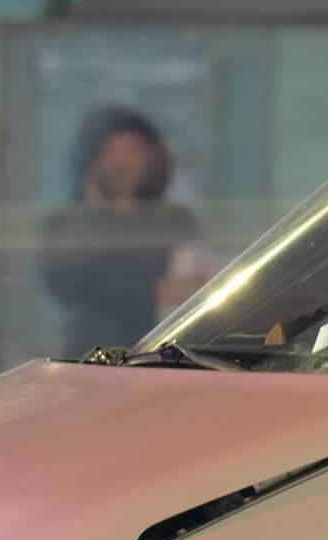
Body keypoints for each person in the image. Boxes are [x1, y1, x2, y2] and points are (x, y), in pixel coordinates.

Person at [40, 105, 205, 359]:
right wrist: (155, 289)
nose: (123, 163)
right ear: (92, 159)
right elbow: (65, 283)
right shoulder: (66, 223)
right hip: (91, 354)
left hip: (162, 352)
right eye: (111, 153)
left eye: (133, 152)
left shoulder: (176, 220)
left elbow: (195, 279)